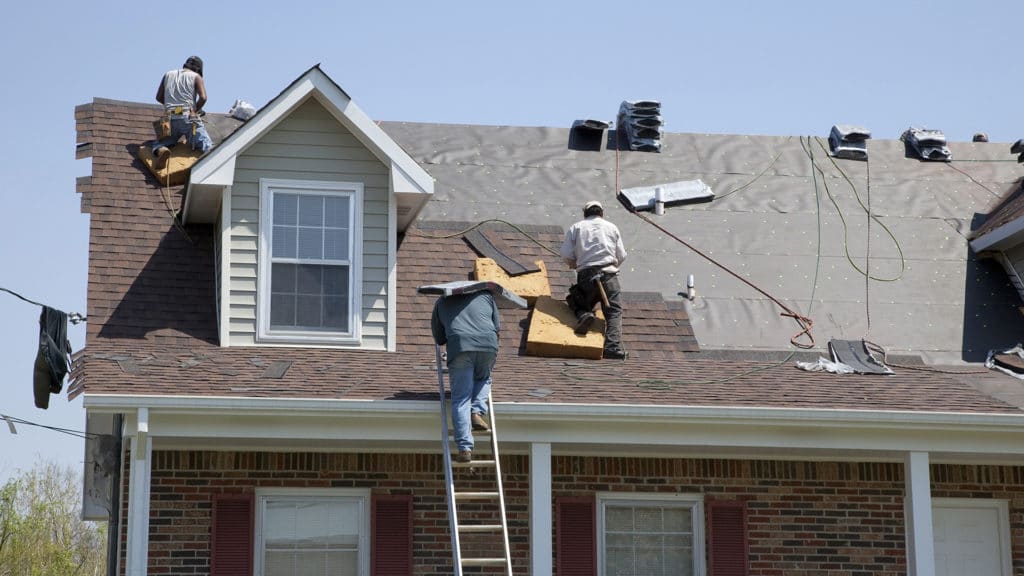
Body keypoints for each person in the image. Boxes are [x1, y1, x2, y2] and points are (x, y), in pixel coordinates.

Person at [431, 290, 500, 463]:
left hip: (460, 345)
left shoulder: (442, 301)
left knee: (461, 398)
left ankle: (465, 449)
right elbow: (497, 327)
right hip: (488, 343)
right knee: (484, 378)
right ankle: (476, 411)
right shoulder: (486, 296)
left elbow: (439, 338)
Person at [560, 200, 628, 359]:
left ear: (585, 214)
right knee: (614, 311)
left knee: (577, 301)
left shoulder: (576, 227)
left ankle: (584, 314)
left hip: (586, 275)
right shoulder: (612, 227)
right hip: (609, 274)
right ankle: (612, 347)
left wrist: (573, 263)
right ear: (601, 214)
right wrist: (611, 264)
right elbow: (622, 255)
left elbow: (565, 253)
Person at [151, 56, 213, 166]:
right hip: (187, 116)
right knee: (206, 144)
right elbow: (203, 98)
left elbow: (159, 97)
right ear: (198, 69)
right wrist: (194, 110)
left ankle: (161, 150)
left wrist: (173, 107)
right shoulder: (196, 77)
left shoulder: (168, 74)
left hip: (169, 118)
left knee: (159, 143)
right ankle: (205, 167)